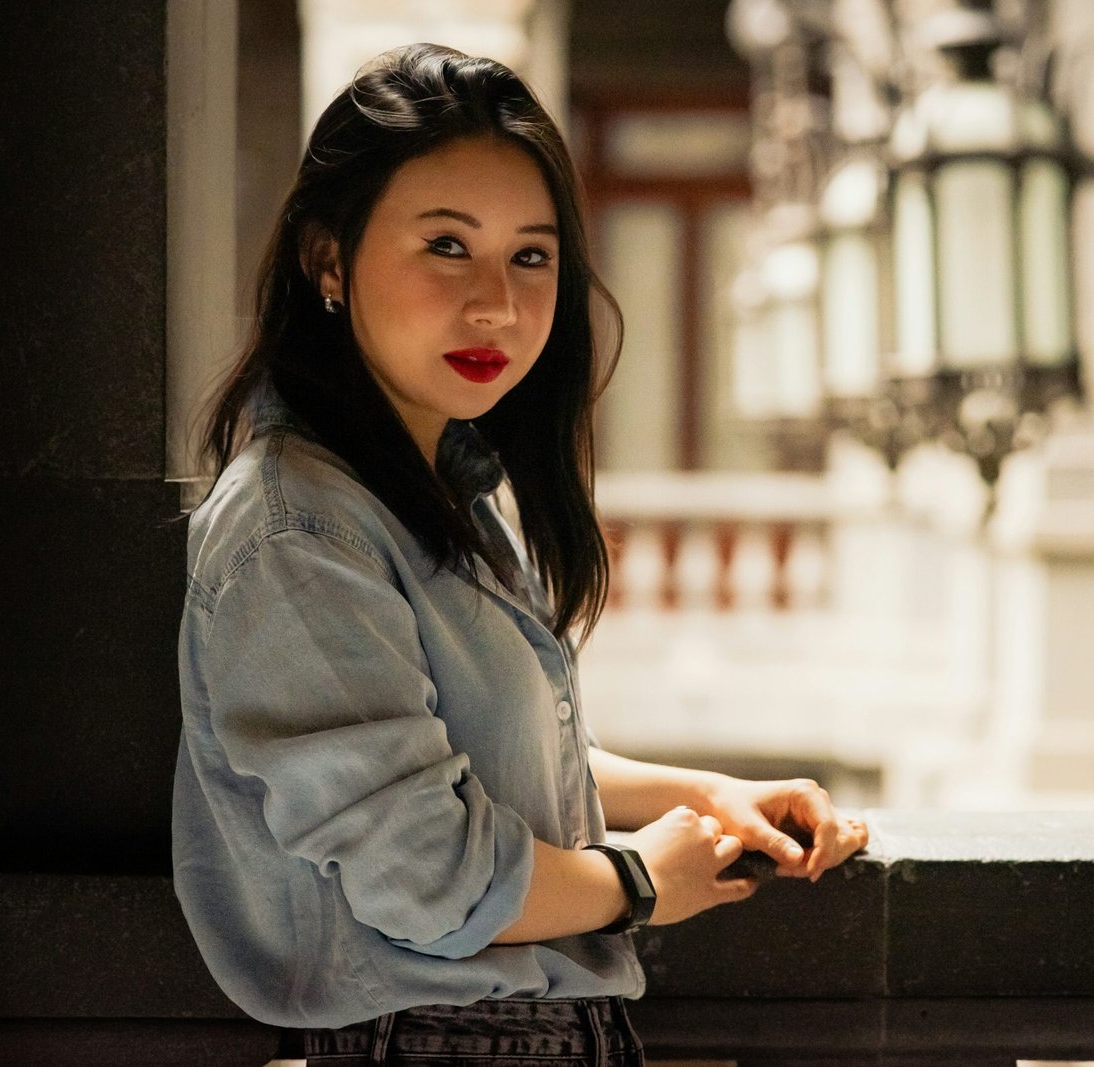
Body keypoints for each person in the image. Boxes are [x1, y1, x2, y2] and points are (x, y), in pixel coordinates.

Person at [172, 43, 869, 1067]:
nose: (496, 302)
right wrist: (638, 880)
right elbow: (426, 872)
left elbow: (470, 763)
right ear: (329, 259)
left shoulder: (431, 488)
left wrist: (702, 793)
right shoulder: (299, 529)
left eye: (531, 255)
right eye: (446, 247)